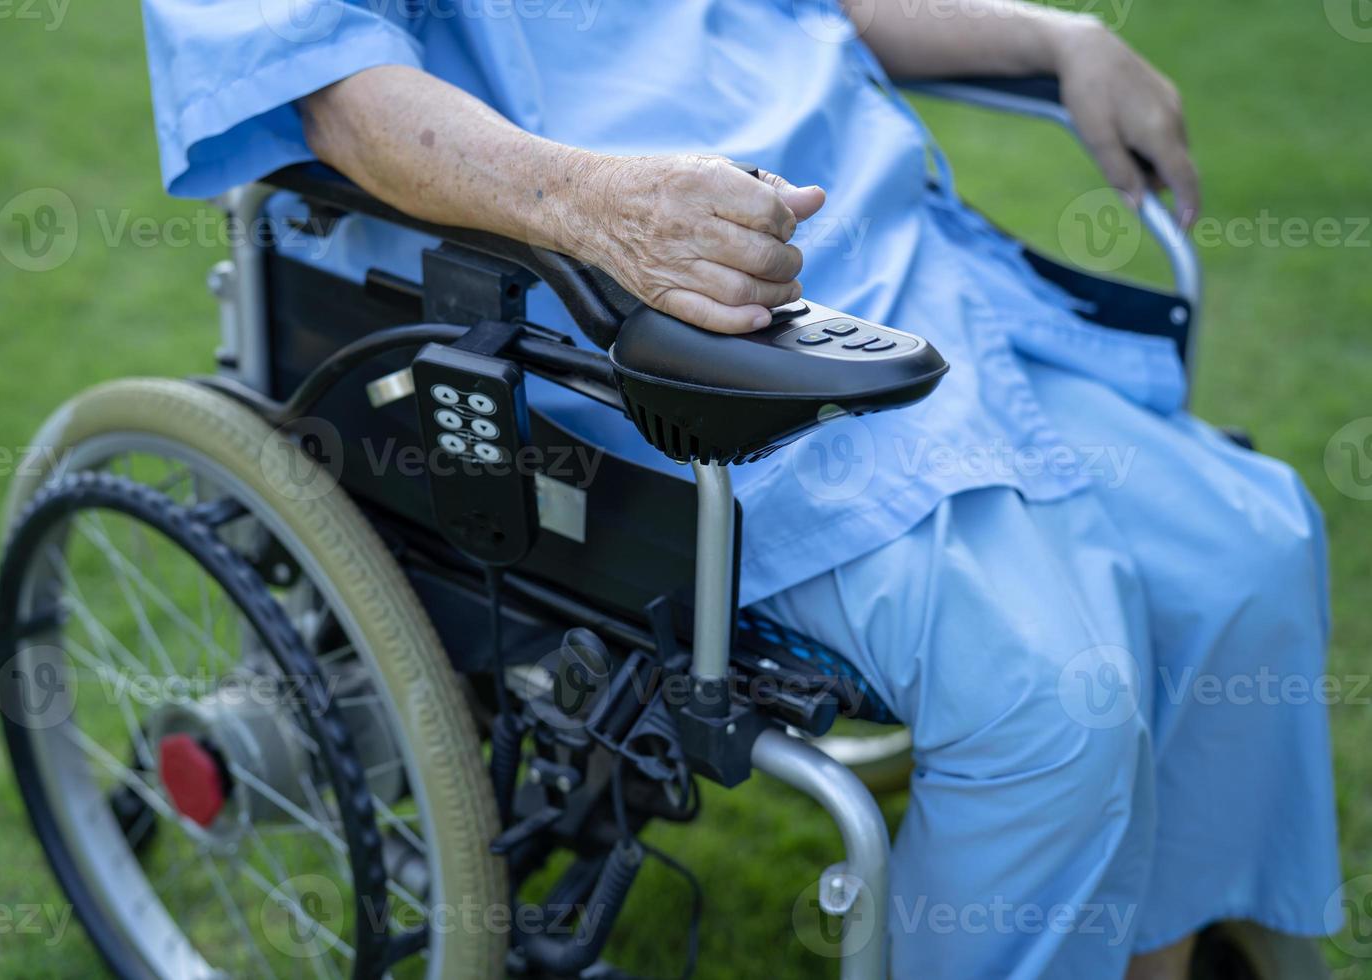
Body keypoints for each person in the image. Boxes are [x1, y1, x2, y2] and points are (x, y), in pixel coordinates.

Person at [141, 1, 1341, 975]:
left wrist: (1054, 37)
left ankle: (1161, 945)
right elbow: (343, 97)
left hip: (916, 283)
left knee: (1251, 555)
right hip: (637, 348)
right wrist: (595, 207)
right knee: (1052, 698)